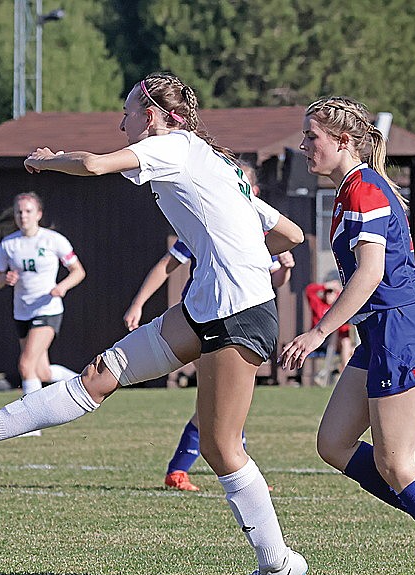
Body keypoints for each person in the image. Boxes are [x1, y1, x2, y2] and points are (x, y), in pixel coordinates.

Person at [0, 72, 308, 575]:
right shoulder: (208, 162)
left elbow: (96, 164)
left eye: (125, 113)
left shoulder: (174, 147)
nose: (119, 123)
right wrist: (248, 245)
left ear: (151, 114)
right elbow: (292, 234)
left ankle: (279, 563)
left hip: (239, 311)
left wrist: (45, 159)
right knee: (101, 374)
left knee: (221, 447)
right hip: (206, 306)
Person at [279, 96, 415, 575]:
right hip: (380, 333)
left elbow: (372, 272)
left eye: (311, 137)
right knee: (334, 443)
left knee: (396, 461)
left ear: (342, 141)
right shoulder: (350, 190)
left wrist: (318, 331)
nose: (302, 146)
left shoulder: (363, 188)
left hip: (404, 332)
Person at [123, 161, 295, 492]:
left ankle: (187, 471)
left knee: (223, 404)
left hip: (238, 322)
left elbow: (274, 280)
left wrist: (284, 267)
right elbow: (168, 264)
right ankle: (211, 472)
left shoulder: (256, 232)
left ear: (253, 192)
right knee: (219, 402)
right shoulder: (207, 225)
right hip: (204, 319)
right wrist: (138, 302)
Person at [0, 192, 86, 431]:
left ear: (39, 214)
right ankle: (83, 384)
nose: (23, 216)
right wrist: (4, 278)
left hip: (48, 308)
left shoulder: (53, 240)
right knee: (41, 371)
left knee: (25, 365)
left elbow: (78, 271)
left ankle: (30, 423)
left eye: (28, 211)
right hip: (22, 312)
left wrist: (62, 287)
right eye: (19, 212)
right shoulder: (9, 244)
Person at [304, 279, 353, 379]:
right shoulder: (318, 304)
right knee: (348, 348)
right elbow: (309, 290)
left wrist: (339, 290)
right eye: (327, 292)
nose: (328, 295)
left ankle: (342, 370)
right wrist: (326, 285)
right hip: (321, 340)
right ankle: (342, 372)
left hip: (337, 342)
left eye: (331, 292)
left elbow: (344, 328)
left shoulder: (340, 307)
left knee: (349, 345)